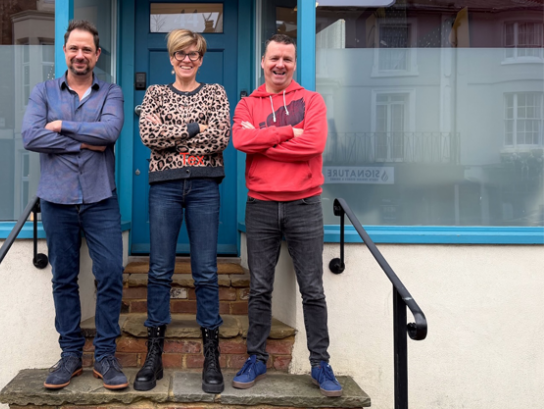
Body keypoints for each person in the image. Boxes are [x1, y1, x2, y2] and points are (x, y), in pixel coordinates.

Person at [230, 34, 342, 397]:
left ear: (294, 64)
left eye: (287, 60)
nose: (280, 65)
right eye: (274, 58)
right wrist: (288, 133)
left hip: (304, 205)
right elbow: (241, 141)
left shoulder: (311, 101)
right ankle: (256, 357)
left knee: (312, 289)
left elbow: (314, 144)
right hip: (261, 205)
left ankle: (320, 363)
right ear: (263, 62)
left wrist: (264, 141)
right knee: (260, 288)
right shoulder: (247, 104)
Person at [21, 20, 127, 391]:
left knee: (110, 273)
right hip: (57, 199)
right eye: (74, 49)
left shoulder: (111, 92)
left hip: (100, 198)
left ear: (97, 54)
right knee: (63, 278)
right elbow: (30, 136)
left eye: (87, 49)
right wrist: (84, 141)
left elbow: (109, 132)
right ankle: (70, 355)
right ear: (65, 52)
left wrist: (60, 126)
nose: (80, 55)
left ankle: (105, 355)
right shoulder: (43, 91)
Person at [134, 29, 230, 394]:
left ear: (201, 59)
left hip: (205, 188)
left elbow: (220, 137)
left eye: (193, 54)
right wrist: (194, 127)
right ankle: (153, 354)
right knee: (160, 269)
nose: (187, 59)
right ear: (171, 58)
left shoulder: (216, 92)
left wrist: (173, 135)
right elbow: (149, 137)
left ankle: (211, 356)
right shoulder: (156, 93)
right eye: (180, 54)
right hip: (165, 188)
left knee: (205, 271)